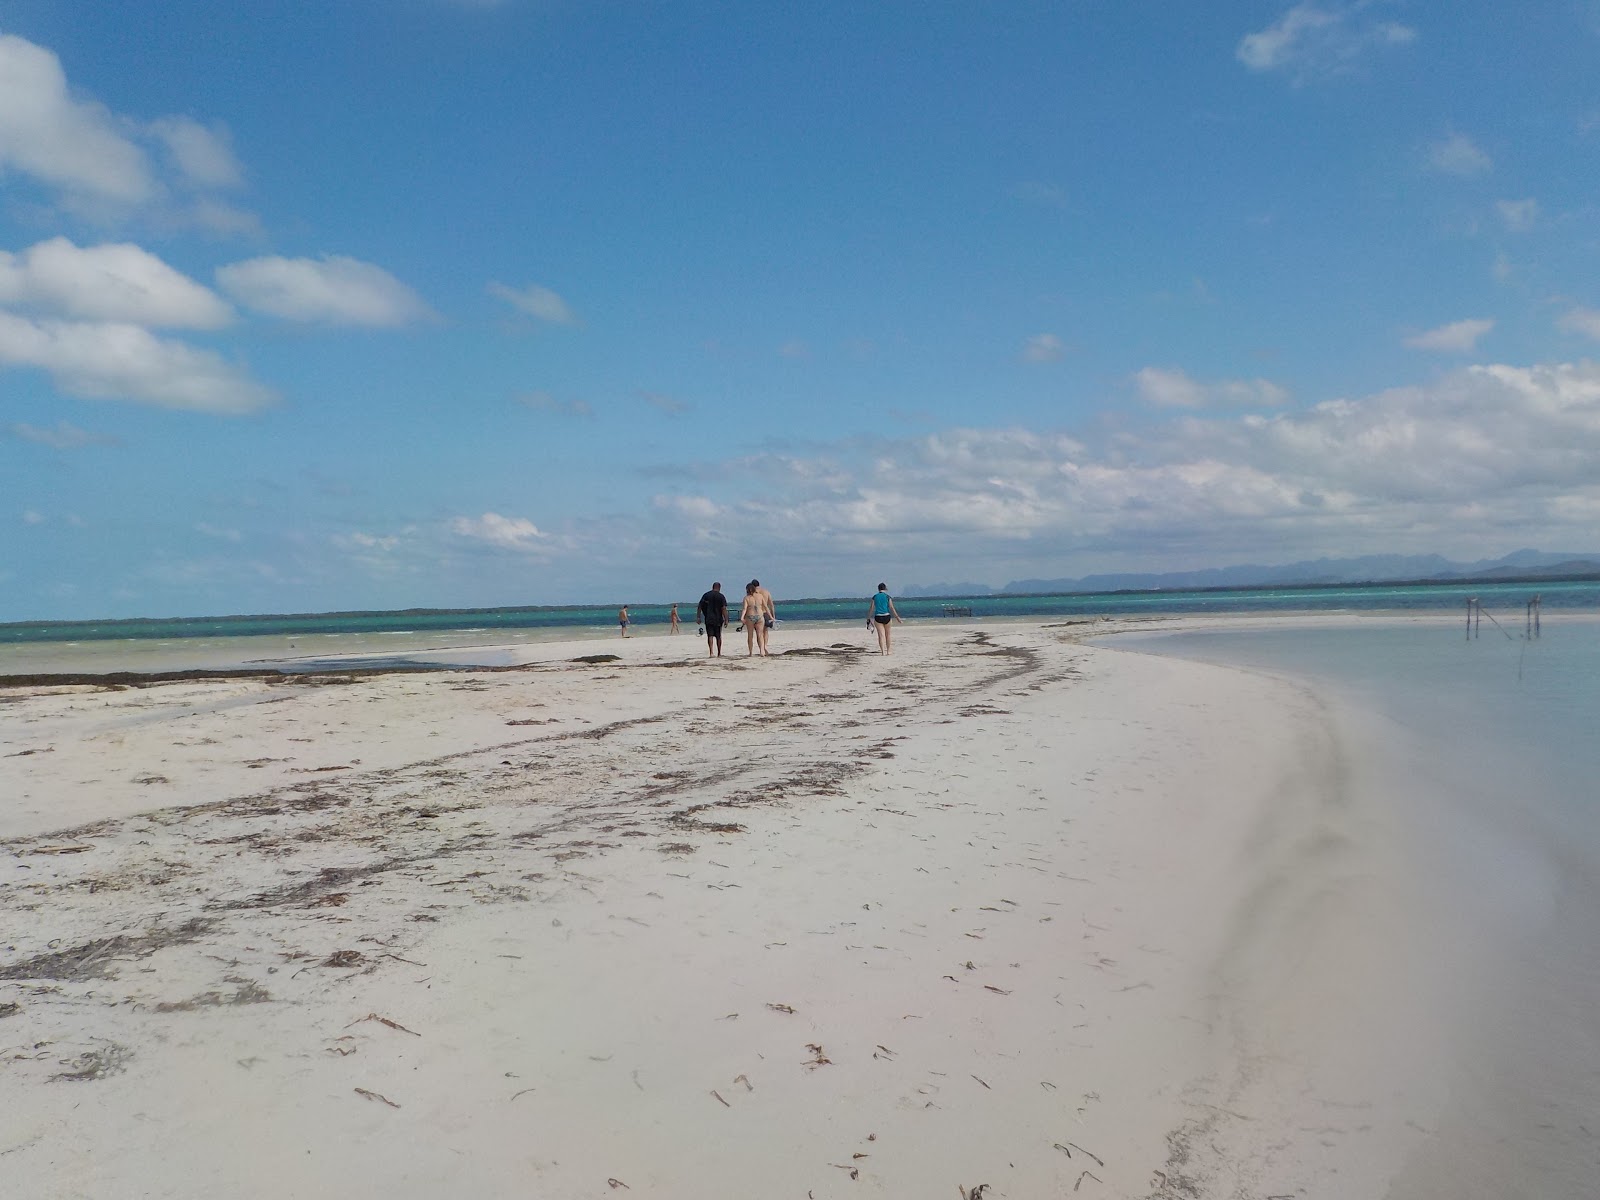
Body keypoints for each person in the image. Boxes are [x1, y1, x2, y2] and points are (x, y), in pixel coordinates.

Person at [868, 582, 903, 655]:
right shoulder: (888, 597)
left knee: (881, 635)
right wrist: (897, 617)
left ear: (878, 589)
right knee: (888, 635)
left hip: (878, 616)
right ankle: (889, 651)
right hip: (887, 616)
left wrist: (868, 617)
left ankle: (883, 652)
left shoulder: (874, 597)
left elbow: (871, 608)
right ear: (885, 588)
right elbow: (891, 607)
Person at [696, 582, 728, 657]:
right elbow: (723, 609)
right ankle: (719, 653)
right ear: (719, 588)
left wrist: (698, 617)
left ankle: (711, 653)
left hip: (709, 618)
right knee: (718, 636)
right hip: (718, 619)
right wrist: (726, 619)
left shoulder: (706, 595)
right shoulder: (721, 596)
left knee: (710, 635)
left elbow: (700, 606)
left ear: (712, 587)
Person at [739, 583, 766, 657]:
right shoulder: (760, 596)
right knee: (760, 635)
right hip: (759, 616)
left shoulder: (746, 598)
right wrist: (771, 616)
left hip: (750, 617)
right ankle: (762, 651)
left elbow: (745, 609)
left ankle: (751, 652)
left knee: (750, 635)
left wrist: (742, 617)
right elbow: (765, 607)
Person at [750, 578, 775, 654]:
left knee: (759, 632)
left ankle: (762, 648)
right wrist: (773, 616)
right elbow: (771, 605)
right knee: (765, 631)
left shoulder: (753, 594)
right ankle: (765, 646)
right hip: (766, 613)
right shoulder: (766, 592)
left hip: (757, 614)